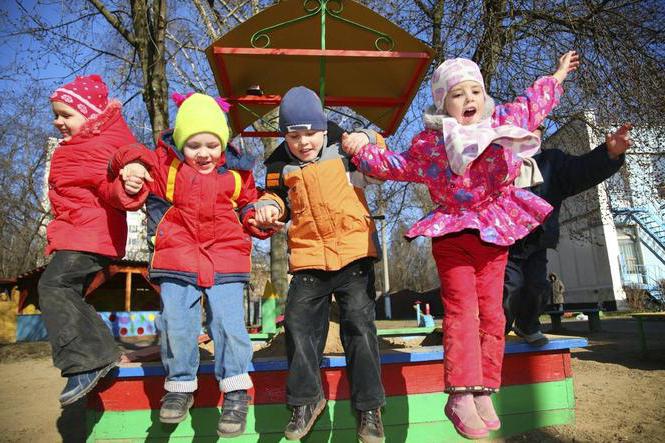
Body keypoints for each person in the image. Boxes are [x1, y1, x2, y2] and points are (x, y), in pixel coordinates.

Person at [343, 52, 579, 439]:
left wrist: (555, 75)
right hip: (453, 232)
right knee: (462, 311)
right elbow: (395, 165)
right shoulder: (432, 143)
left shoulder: (502, 123)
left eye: (475, 91)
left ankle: (484, 386)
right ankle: (459, 392)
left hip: (494, 229)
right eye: (457, 94)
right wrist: (358, 150)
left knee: (493, 313)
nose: (468, 98)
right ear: (442, 103)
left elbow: (533, 104)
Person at [114, 92, 272, 437]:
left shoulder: (237, 173)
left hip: (225, 253)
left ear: (224, 143)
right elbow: (132, 156)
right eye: (194, 145)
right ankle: (180, 386)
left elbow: (247, 205)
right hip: (178, 252)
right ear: (180, 143)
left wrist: (257, 218)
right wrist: (133, 169)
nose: (203, 153)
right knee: (176, 321)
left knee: (229, 324)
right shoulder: (164, 166)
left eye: (212, 145)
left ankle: (234, 391)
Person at [252, 86, 386, 443]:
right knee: (297, 323)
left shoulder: (344, 148)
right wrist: (267, 208)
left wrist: (367, 136)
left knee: (358, 324)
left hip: (353, 252)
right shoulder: (279, 164)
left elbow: (379, 153)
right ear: (285, 135)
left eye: (310, 133)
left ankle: (370, 409)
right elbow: (274, 197)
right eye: (294, 135)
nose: (304, 142)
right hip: (310, 256)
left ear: (324, 128)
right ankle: (307, 400)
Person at [38, 74, 141, 406]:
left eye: (66, 114)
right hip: (77, 232)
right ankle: (101, 353)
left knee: (55, 286)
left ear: (91, 113)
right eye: (56, 114)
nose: (58, 122)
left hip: (89, 235)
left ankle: (86, 362)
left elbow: (113, 189)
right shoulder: (82, 144)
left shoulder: (100, 144)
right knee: (67, 293)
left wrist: (128, 185)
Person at [503, 124, 631, 345]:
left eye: (533, 131)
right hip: (506, 243)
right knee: (509, 286)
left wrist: (609, 154)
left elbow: (581, 170)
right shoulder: (500, 164)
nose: (527, 137)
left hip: (538, 240)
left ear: (540, 136)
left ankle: (526, 324)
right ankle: (497, 328)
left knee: (536, 285)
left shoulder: (552, 163)